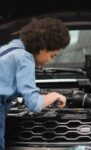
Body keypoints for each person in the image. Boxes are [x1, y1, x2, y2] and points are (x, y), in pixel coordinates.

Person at [0, 17, 70, 150]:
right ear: (43, 48)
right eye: (52, 55)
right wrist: (54, 95)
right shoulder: (25, 58)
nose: (49, 61)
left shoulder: (10, 48)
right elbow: (34, 104)